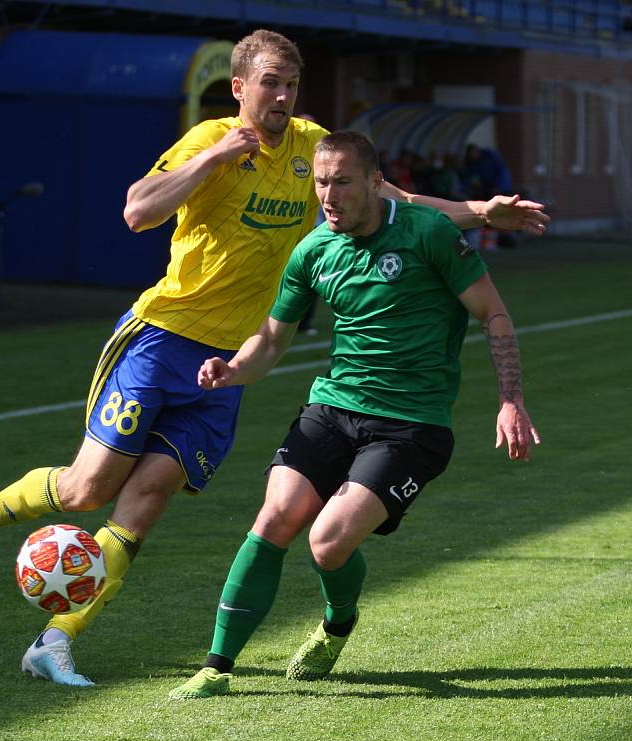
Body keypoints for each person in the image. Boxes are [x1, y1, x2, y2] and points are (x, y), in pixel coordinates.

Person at [0, 30, 548, 688]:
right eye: (270, 83)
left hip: (229, 361)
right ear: (239, 88)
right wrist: (216, 156)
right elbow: (137, 210)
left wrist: (477, 211)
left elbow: (390, 199)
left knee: (149, 495)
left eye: (291, 84)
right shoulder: (208, 141)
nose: (282, 96)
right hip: (161, 338)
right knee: (88, 490)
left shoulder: (311, 146)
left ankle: (58, 638)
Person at [169, 131, 540, 700]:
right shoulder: (313, 251)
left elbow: (494, 314)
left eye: (342, 181)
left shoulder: (429, 233)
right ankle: (217, 666)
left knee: (327, 542)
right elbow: (271, 340)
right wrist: (231, 368)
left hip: (412, 425)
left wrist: (509, 399)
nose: (329, 194)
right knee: (275, 517)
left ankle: (337, 624)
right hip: (334, 407)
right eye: (321, 182)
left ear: (375, 182)